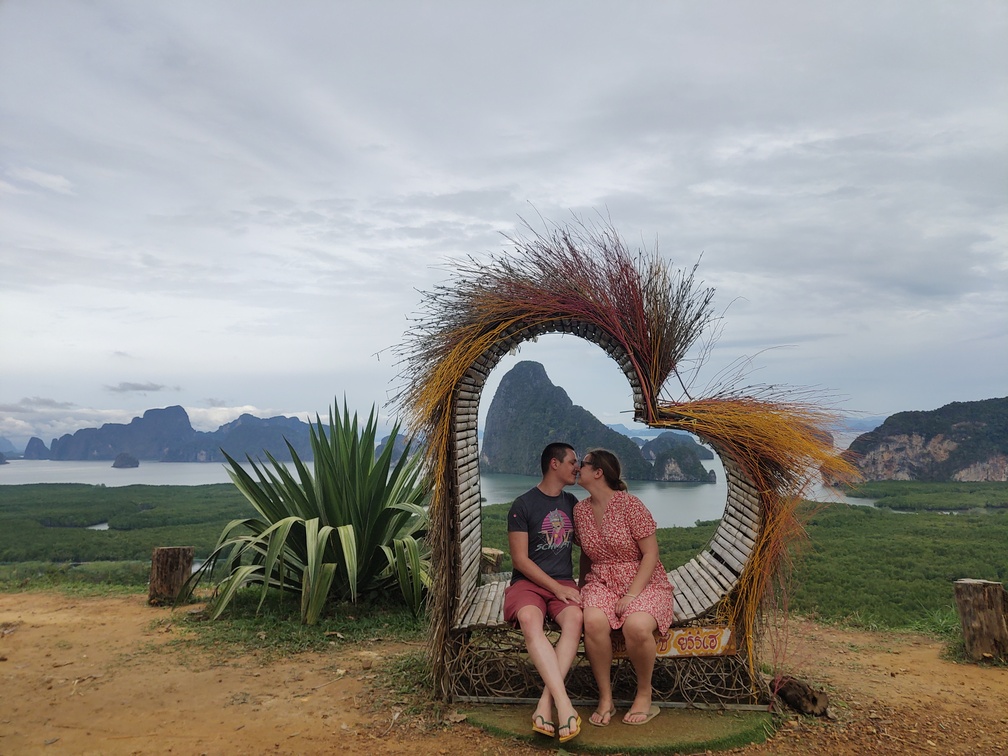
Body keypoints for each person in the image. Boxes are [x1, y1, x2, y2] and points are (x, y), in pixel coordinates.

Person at [574, 448, 675, 727]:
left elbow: (651, 554)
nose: (577, 467)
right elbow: (585, 554)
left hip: (643, 580)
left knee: (637, 626)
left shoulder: (631, 505)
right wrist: (582, 587)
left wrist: (631, 594)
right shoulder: (580, 510)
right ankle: (606, 698)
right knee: (592, 622)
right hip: (601, 581)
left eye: (582, 464)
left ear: (598, 472)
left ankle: (644, 693)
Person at [503, 442, 583, 743]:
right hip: (528, 583)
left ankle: (545, 703)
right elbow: (520, 560)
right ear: (554, 464)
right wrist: (556, 588)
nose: (577, 467)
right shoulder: (522, 505)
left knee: (575, 618)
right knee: (528, 618)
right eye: (573, 461)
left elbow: (589, 545)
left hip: (562, 582)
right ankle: (565, 706)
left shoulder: (572, 503)